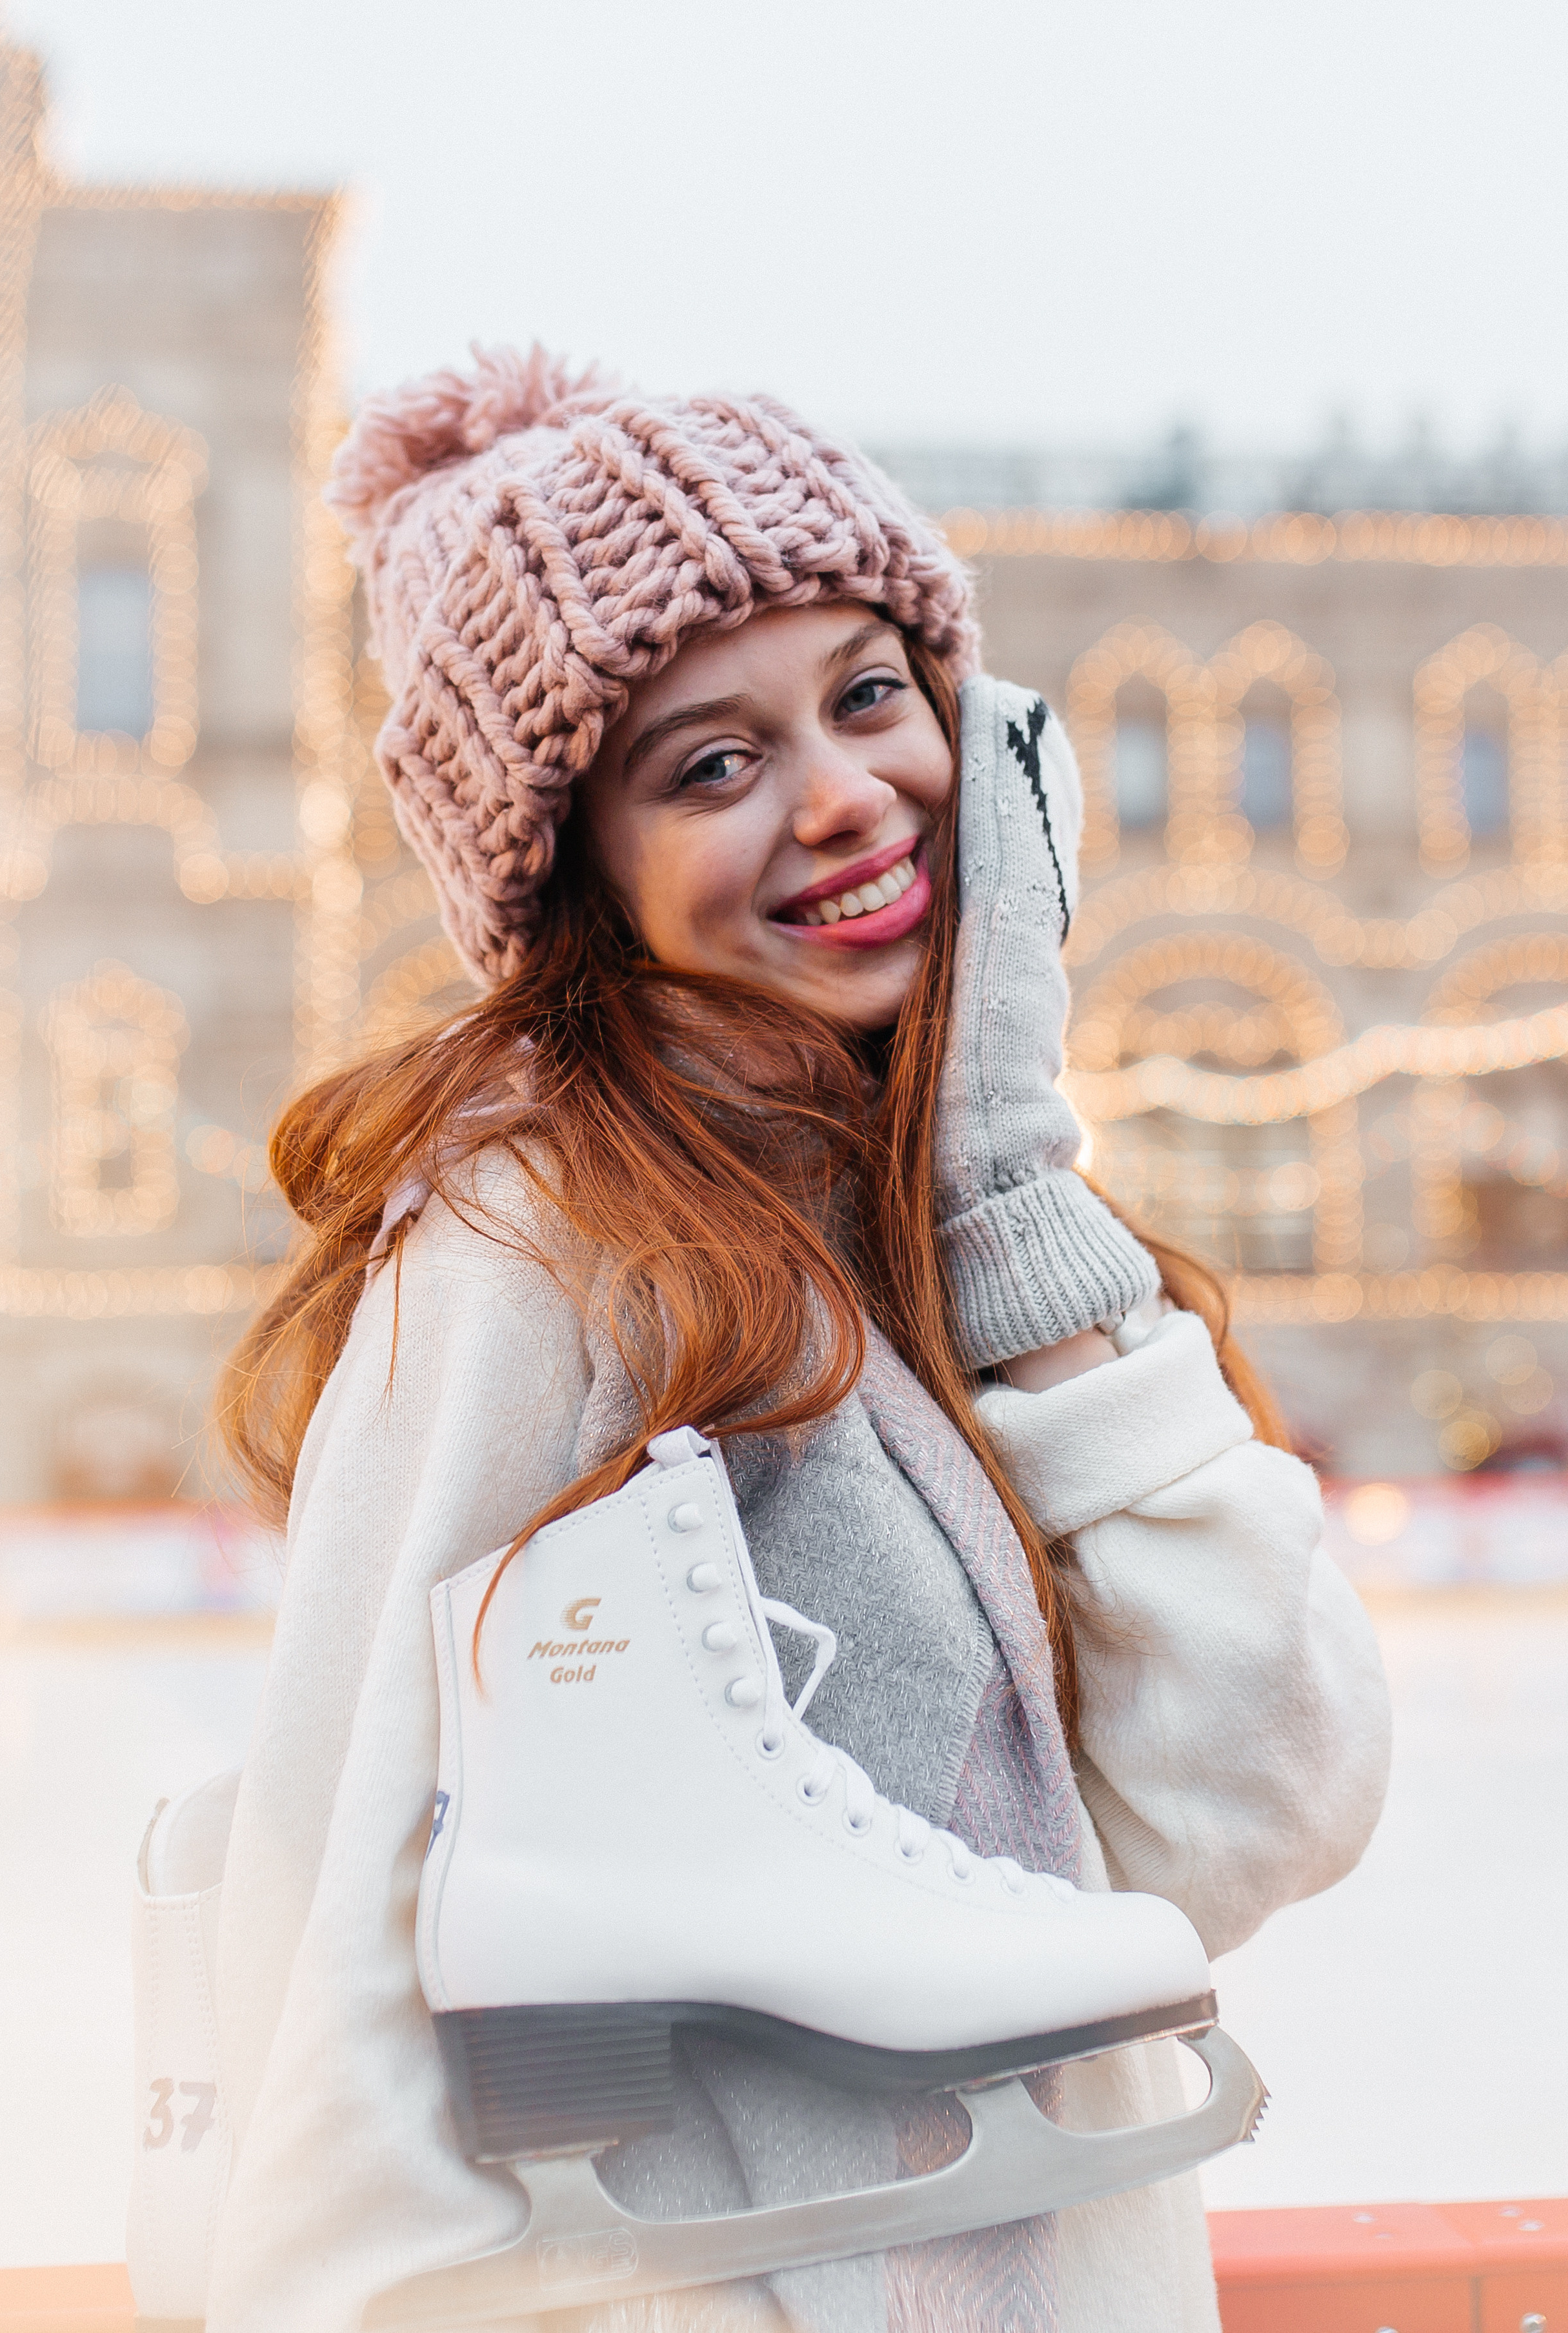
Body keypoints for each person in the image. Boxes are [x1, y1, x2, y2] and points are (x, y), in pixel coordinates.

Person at [201, 346, 1391, 2333]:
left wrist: (1007, 1179)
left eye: (868, 693)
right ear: (578, 874)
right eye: (713, 764)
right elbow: (337, 1969)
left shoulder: (941, 1233)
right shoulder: (540, 1241)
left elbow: (1247, 1820)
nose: (846, 796)